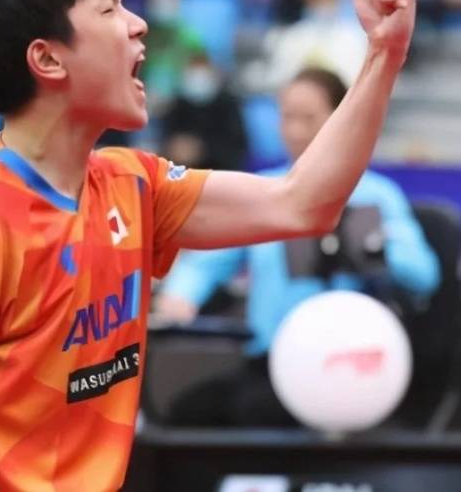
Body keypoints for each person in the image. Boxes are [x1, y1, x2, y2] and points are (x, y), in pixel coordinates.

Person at [0, 0, 417, 492]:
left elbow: (303, 203)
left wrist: (384, 54)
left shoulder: (135, 185)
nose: (138, 24)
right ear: (47, 58)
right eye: (110, 7)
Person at [153, 67, 440, 427]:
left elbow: (423, 275)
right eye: (288, 117)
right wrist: (181, 296)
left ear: (340, 121)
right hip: (270, 362)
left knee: (260, 414)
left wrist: (370, 245)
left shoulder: (376, 196)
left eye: (309, 119)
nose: (296, 131)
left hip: (347, 367)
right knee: (188, 414)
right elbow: (208, 261)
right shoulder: (263, 191)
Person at [161, 52, 248, 170]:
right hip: (183, 174)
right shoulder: (176, 106)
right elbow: (167, 142)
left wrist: (202, 150)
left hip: (221, 172)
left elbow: (237, 145)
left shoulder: (228, 104)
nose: (198, 79)